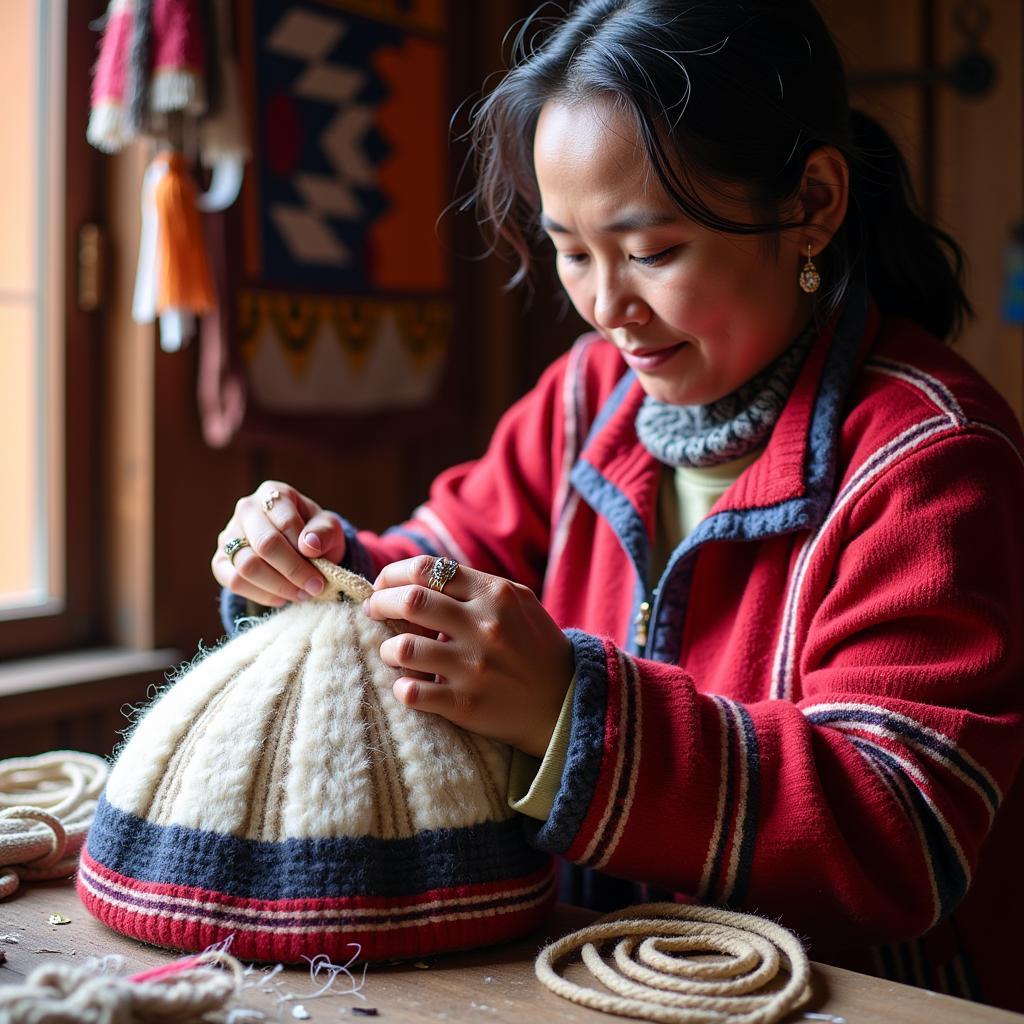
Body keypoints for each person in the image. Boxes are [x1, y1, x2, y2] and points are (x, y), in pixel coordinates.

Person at [212, 0, 1024, 1011]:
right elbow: (429, 562)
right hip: (586, 976)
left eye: (650, 251)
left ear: (812, 201)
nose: (605, 306)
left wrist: (567, 706)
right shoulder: (586, 402)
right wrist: (312, 565)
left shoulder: (928, 455)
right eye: (570, 250)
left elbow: (904, 826)